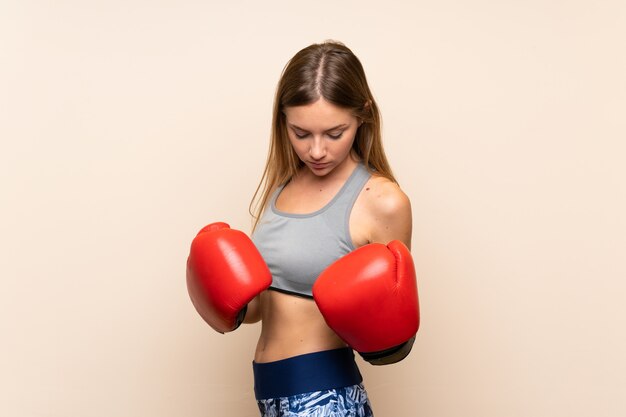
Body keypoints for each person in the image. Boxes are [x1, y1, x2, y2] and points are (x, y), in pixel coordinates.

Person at [186, 40, 419, 417]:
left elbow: (389, 327)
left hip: (325, 397)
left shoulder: (382, 201)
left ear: (363, 116)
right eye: (301, 133)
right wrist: (225, 291)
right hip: (270, 393)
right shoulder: (284, 187)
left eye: (333, 133)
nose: (315, 151)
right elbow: (266, 306)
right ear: (283, 122)